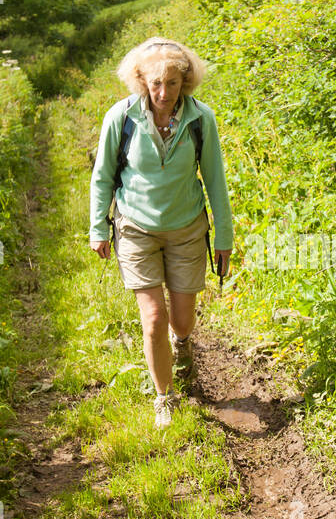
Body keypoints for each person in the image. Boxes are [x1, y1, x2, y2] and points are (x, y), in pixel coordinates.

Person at [88, 37, 234, 430]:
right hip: (136, 228)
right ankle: (163, 398)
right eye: (155, 83)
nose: (163, 92)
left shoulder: (201, 118)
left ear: (184, 83)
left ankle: (182, 344)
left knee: (181, 321)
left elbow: (215, 181)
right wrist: (97, 226)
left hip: (187, 229)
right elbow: (102, 176)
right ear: (141, 81)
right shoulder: (121, 117)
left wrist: (225, 238)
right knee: (153, 318)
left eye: (171, 83)